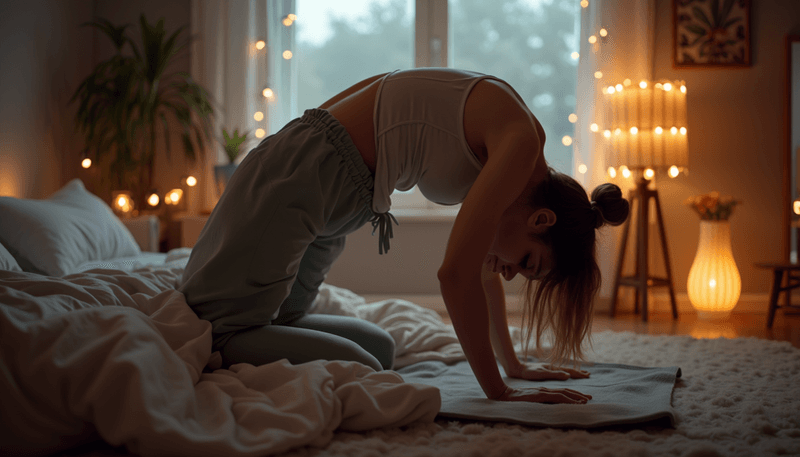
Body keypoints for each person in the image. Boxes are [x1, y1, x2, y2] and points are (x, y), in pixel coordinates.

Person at [179, 68, 629, 404]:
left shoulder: (519, 171)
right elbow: (456, 275)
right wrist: (499, 392)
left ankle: (258, 331)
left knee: (380, 349)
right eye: (527, 264)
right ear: (542, 221)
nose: (510, 273)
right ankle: (232, 337)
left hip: (335, 209)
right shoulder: (520, 145)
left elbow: (480, 274)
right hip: (298, 180)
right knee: (356, 365)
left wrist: (513, 366)